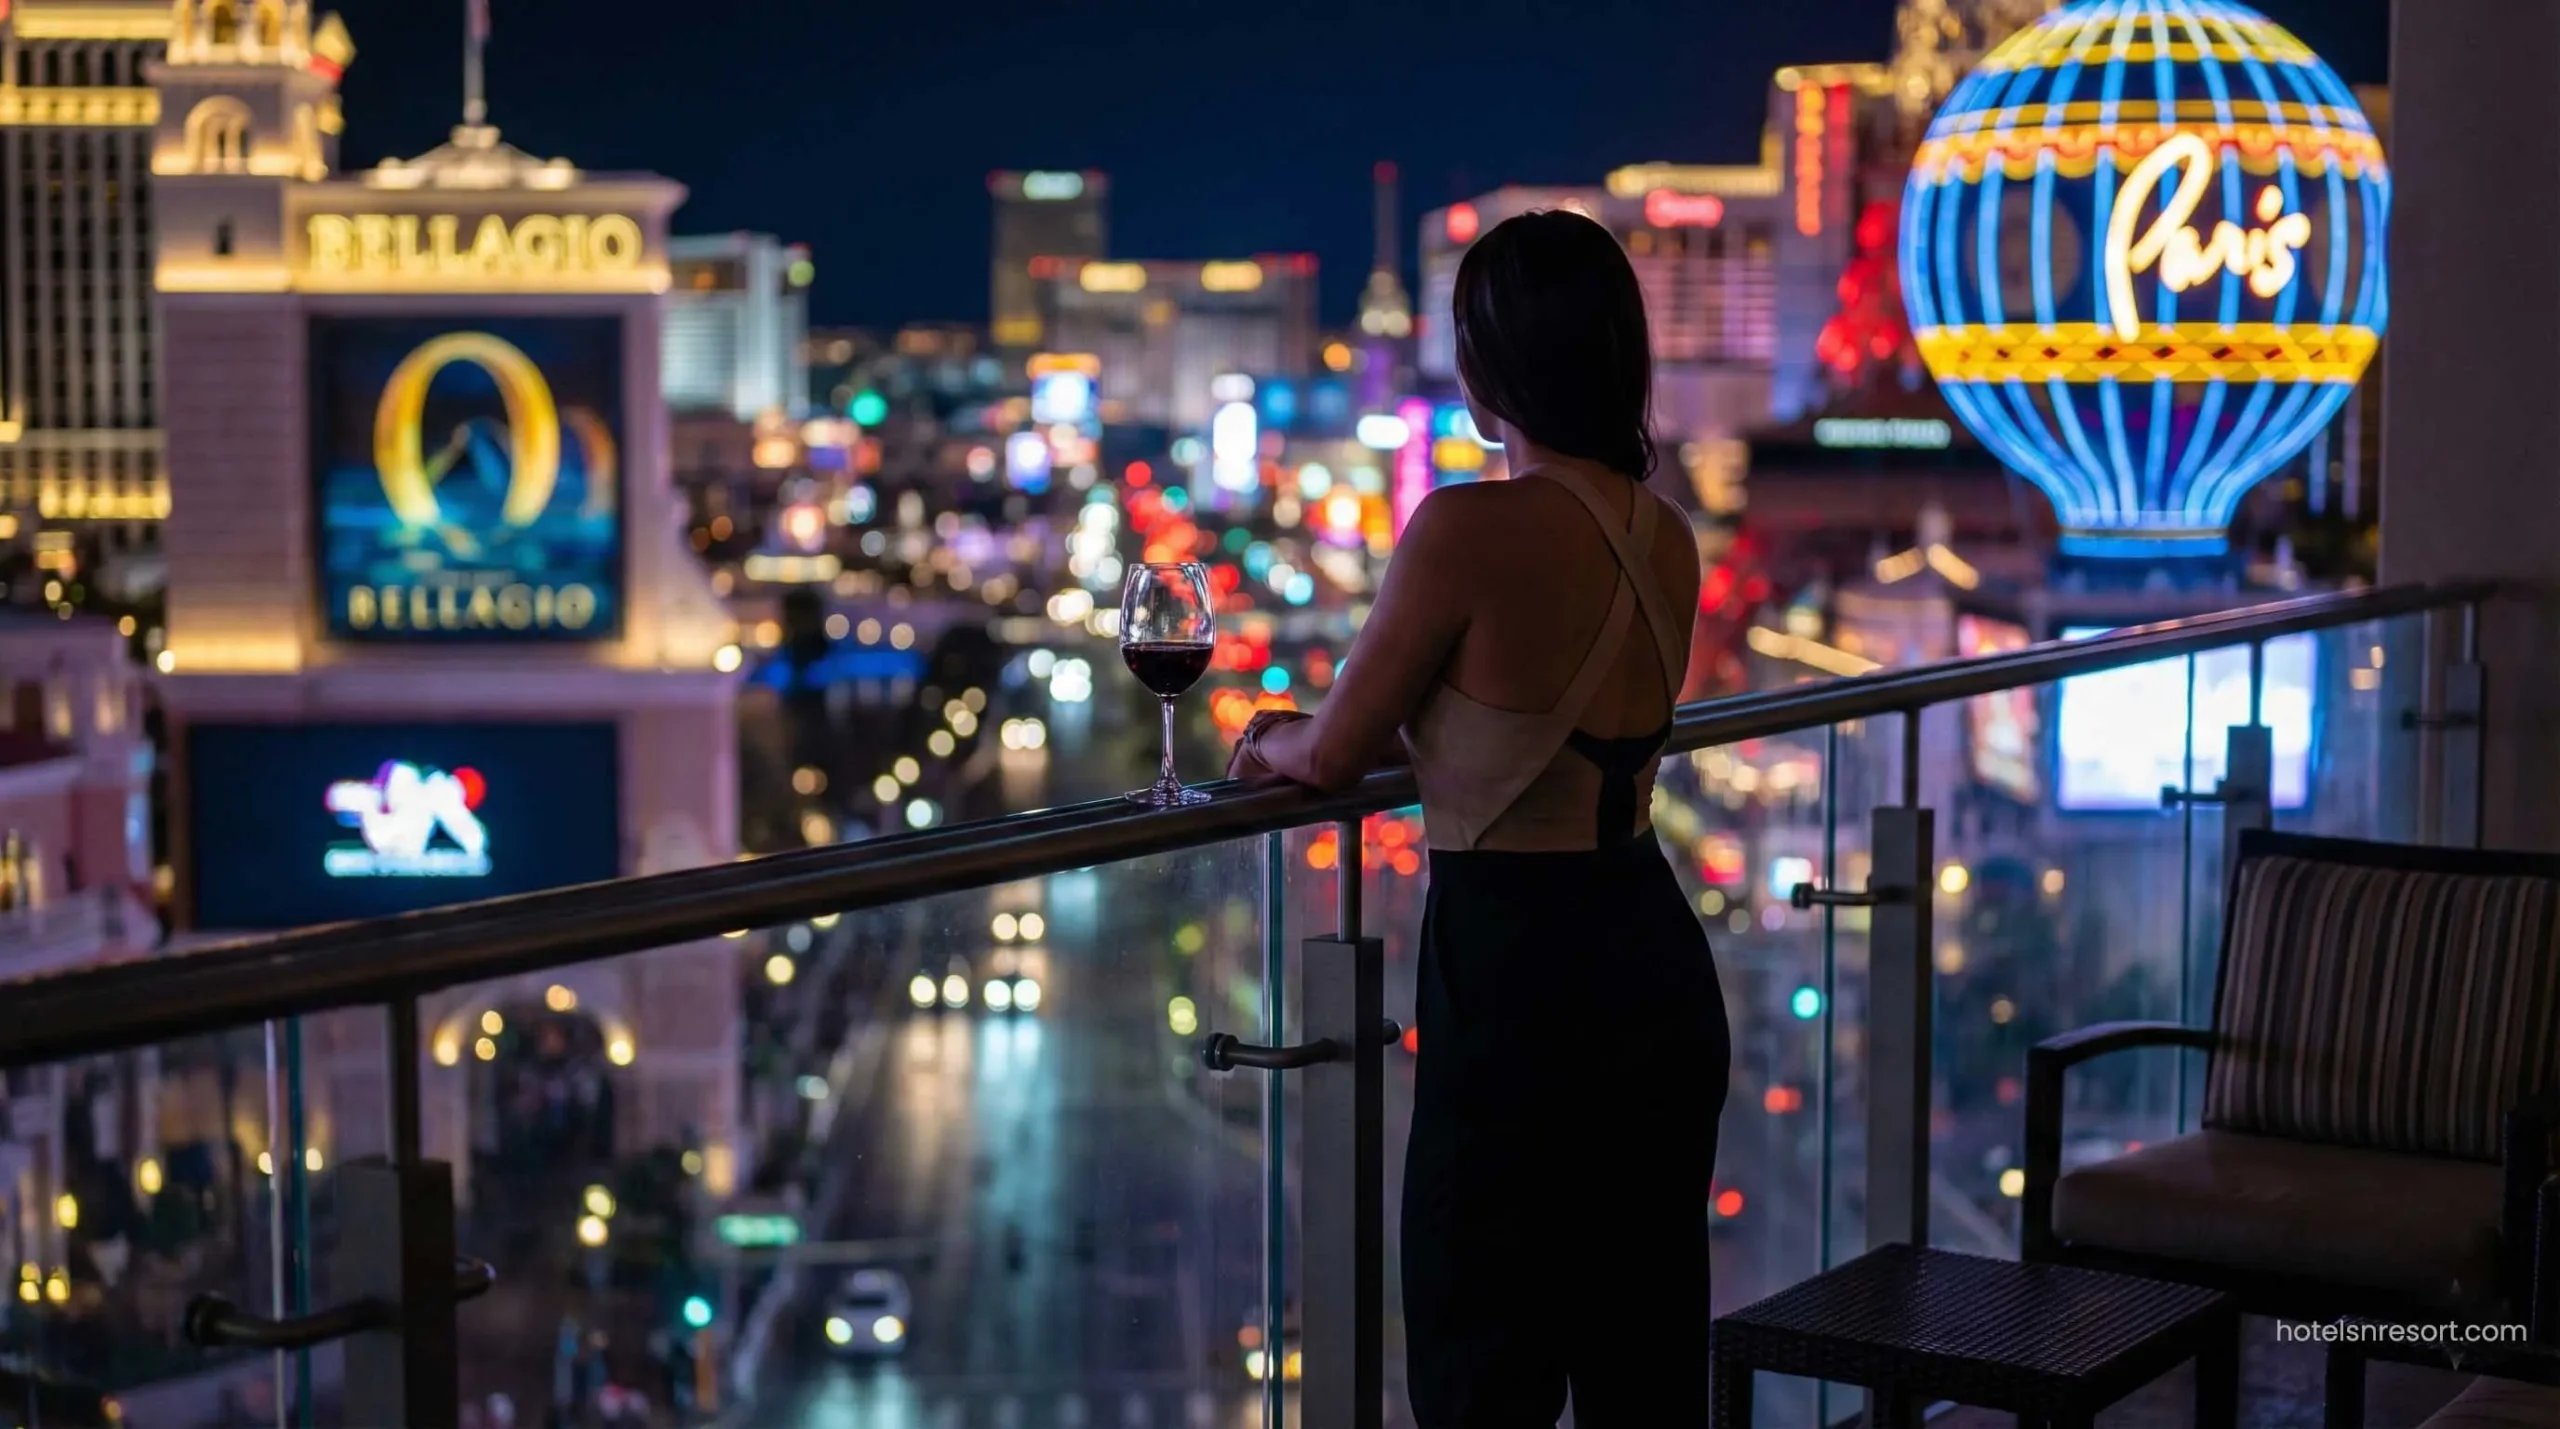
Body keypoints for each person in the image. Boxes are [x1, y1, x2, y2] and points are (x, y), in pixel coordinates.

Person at [1230, 209, 1731, 1425]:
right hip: (1650, 949)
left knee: (1481, 1350)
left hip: (1515, 966)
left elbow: (1337, 751)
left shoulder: (1465, 527)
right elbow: (1526, 725)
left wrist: (1263, 736)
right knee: (1642, 1349)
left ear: (1484, 364)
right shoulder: (1665, 536)